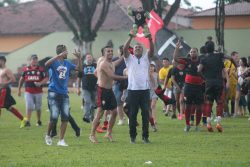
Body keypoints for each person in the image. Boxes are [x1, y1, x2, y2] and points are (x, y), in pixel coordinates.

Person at [44, 44, 82, 146]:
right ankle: (48, 135)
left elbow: (79, 69)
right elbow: (46, 64)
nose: (67, 53)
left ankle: (61, 140)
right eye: (66, 51)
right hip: (53, 92)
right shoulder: (54, 62)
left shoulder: (67, 63)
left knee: (65, 117)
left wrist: (79, 58)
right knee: (54, 117)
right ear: (61, 52)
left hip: (64, 93)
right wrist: (58, 56)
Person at [89, 45, 127, 143]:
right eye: (108, 51)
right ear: (104, 53)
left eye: (111, 51)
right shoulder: (103, 64)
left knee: (114, 112)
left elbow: (117, 62)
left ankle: (108, 133)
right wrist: (126, 77)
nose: (110, 52)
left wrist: (124, 56)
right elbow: (112, 76)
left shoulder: (111, 63)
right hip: (102, 91)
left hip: (109, 91)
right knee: (100, 113)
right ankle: (92, 135)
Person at [123, 31, 154, 144]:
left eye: (139, 47)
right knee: (132, 114)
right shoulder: (129, 58)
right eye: (135, 47)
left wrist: (150, 39)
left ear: (142, 50)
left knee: (145, 114)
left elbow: (152, 50)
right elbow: (125, 49)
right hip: (132, 91)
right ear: (133, 50)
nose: (137, 49)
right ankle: (133, 137)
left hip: (145, 91)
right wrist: (130, 37)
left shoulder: (146, 58)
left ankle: (145, 137)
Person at [198, 41, 232, 132]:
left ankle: (208, 124)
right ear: (213, 48)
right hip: (219, 83)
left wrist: (205, 78)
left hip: (209, 83)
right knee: (220, 103)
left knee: (208, 103)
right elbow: (227, 61)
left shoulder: (204, 58)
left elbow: (199, 70)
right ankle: (218, 123)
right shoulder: (219, 57)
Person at [173, 41, 203, 132]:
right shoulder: (187, 60)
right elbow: (175, 58)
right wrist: (177, 48)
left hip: (199, 87)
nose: (193, 53)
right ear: (189, 54)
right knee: (188, 106)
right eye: (191, 52)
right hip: (188, 87)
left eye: (194, 51)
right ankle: (187, 125)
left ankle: (197, 125)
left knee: (199, 107)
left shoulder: (202, 60)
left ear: (197, 53)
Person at [18, 54, 48, 127]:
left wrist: (40, 83)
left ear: (37, 60)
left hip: (38, 92)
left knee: (38, 107)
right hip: (28, 91)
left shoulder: (41, 69)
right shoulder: (25, 69)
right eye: (33, 59)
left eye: (36, 59)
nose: (34, 60)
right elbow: (21, 79)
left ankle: (38, 121)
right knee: (29, 106)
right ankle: (28, 121)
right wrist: (19, 89)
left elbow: (46, 78)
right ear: (30, 60)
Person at [0, 56, 27, 128]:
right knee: (8, 107)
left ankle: (23, 119)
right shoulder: (1, 70)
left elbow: (13, 79)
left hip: (4, 90)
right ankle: (23, 119)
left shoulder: (7, 70)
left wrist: (4, 84)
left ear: (2, 61)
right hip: (1, 90)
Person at [77, 53, 97, 123]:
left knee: (93, 104)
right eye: (88, 57)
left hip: (95, 88)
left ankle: (92, 117)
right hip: (85, 88)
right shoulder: (82, 67)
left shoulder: (96, 65)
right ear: (86, 59)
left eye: (90, 57)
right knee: (87, 101)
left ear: (92, 58)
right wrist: (78, 88)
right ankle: (86, 116)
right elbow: (79, 78)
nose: (89, 58)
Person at [112, 45, 127, 125]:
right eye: (120, 50)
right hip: (118, 83)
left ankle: (130, 118)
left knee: (128, 103)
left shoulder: (130, 59)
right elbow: (113, 67)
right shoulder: (115, 59)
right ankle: (121, 119)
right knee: (118, 102)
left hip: (128, 84)